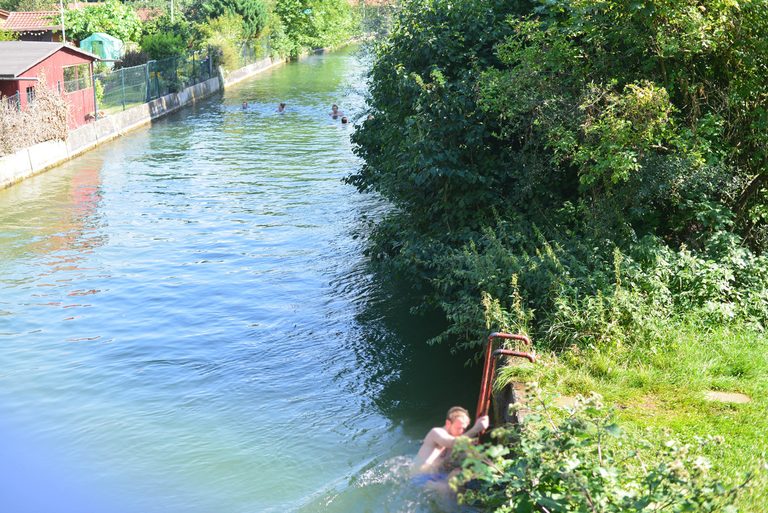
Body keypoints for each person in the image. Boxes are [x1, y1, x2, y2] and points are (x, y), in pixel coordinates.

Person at [412, 406, 489, 485]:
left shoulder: (458, 444)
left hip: (437, 477)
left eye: (464, 429)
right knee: (446, 488)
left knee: (459, 474)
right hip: (420, 478)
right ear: (448, 423)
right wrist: (476, 429)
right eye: (459, 428)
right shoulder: (436, 433)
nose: (462, 432)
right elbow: (452, 443)